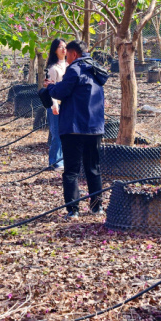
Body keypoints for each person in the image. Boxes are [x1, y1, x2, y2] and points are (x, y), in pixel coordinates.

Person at [44, 40, 106, 219]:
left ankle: (73, 210)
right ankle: (97, 207)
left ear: (75, 54)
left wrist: (51, 87)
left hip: (74, 127)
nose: (68, 59)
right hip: (94, 127)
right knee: (93, 168)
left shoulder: (75, 69)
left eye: (68, 55)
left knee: (71, 170)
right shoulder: (96, 69)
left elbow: (60, 92)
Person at [44, 38, 67, 170]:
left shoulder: (69, 65)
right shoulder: (53, 69)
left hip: (66, 105)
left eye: (65, 47)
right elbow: (50, 88)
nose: (64, 49)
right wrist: (54, 105)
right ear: (55, 50)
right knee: (56, 134)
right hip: (56, 105)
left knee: (65, 134)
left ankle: (63, 160)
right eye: (60, 47)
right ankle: (55, 162)